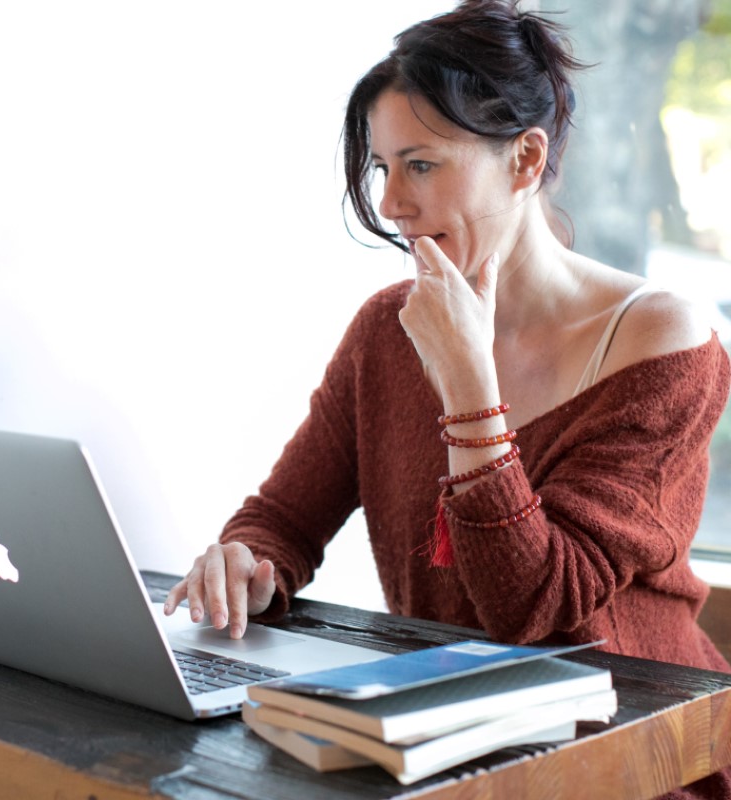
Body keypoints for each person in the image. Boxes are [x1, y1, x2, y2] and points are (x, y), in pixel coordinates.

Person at [166, 2, 730, 796]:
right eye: (382, 168)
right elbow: (283, 521)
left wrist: (469, 383)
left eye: (421, 165)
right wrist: (247, 562)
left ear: (526, 160)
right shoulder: (386, 331)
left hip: (628, 760)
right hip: (444, 750)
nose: (393, 202)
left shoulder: (665, 345)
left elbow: (534, 606)